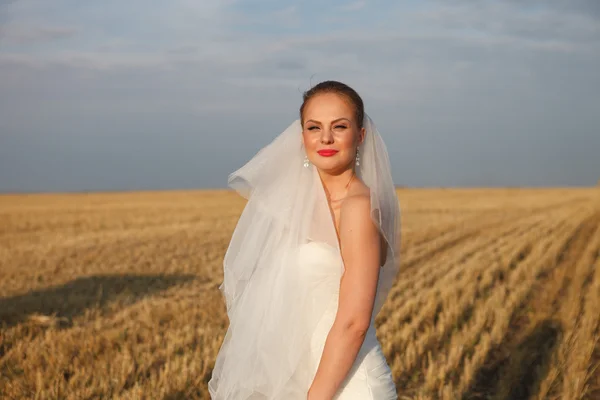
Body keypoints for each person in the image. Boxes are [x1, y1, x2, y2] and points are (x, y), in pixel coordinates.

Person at [208, 80, 401, 399]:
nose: (325, 137)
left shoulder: (358, 207)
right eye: (314, 127)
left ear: (360, 135)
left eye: (339, 126)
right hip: (297, 377)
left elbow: (354, 321)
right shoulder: (294, 207)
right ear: (302, 137)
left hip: (344, 384)